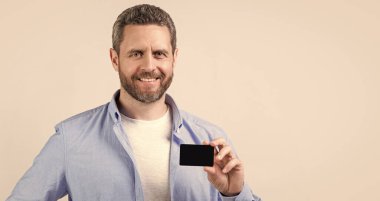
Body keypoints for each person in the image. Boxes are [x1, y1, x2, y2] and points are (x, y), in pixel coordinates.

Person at [7, 4, 261, 201]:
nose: (149, 66)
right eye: (136, 53)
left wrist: (232, 194)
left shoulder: (210, 138)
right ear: (115, 59)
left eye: (159, 53)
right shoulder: (70, 139)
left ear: (174, 58)